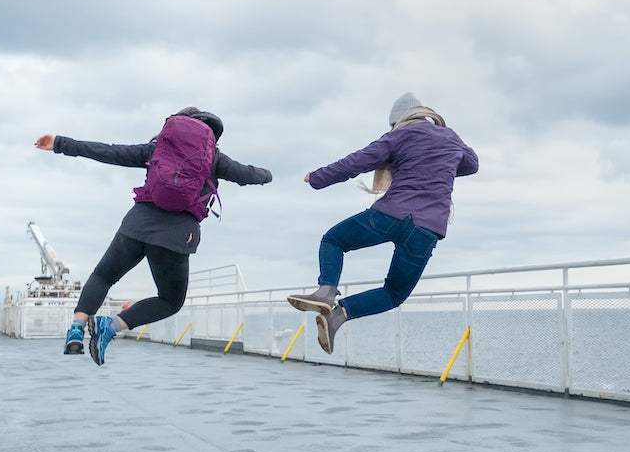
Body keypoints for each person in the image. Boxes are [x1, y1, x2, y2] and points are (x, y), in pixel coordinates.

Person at [34, 107, 272, 365]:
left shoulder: (157, 149)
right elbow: (247, 175)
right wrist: (266, 175)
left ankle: (77, 330)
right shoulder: (214, 157)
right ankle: (110, 327)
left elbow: (110, 152)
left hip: (137, 225)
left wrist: (60, 143)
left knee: (103, 275)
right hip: (177, 237)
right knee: (170, 300)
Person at [288, 92, 478, 354]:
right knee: (393, 294)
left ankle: (325, 292)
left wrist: (318, 177)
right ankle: (337, 317)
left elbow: (355, 162)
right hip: (428, 229)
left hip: (391, 215)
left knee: (334, 240)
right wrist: (441, 164)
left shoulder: (397, 137)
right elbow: (472, 164)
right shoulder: (451, 138)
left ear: (398, 122)